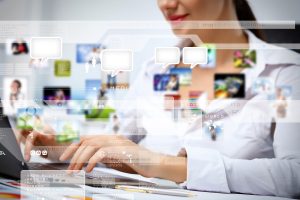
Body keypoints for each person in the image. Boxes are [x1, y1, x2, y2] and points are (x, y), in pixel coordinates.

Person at [22, 0, 300, 198]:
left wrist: (161, 164)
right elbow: (112, 146)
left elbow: (295, 176)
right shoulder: (155, 71)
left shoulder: (283, 73)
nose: (166, 3)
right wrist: (56, 148)